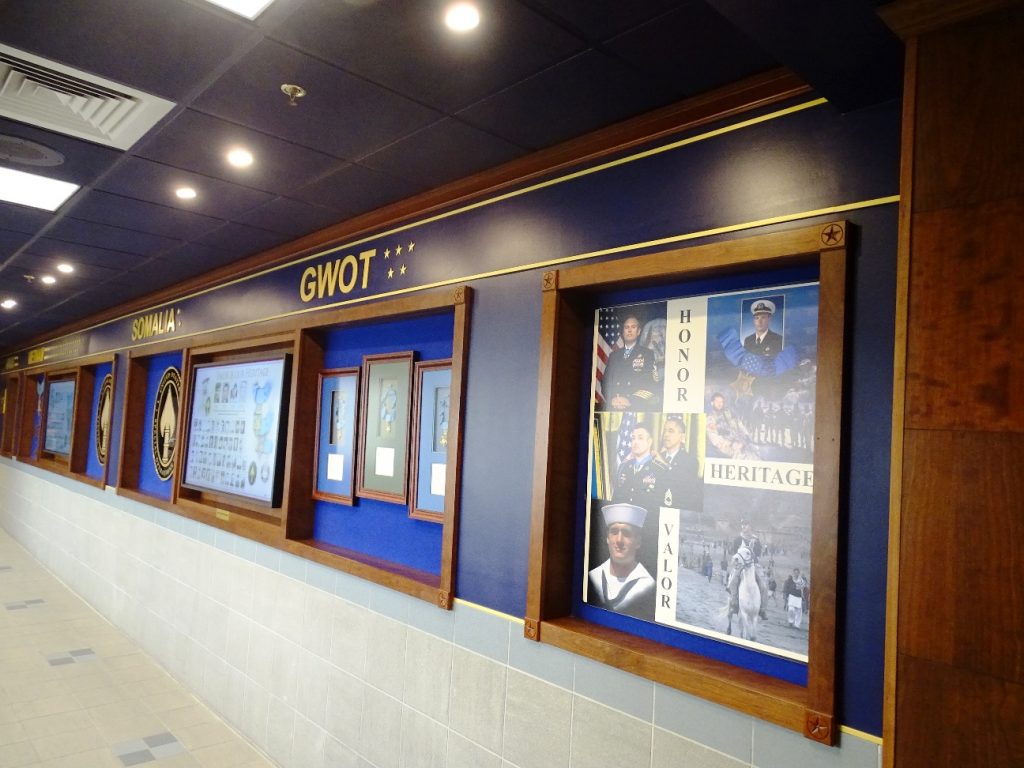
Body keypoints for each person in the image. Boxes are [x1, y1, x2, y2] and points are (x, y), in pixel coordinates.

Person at [588, 503, 655, 619]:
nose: (619, 540)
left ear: (638, 542)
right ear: (607, 538)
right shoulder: (593, 577)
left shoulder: (648, 586)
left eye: (626, 533)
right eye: (614, 532)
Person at [602, 313, 660, 410]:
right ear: (623, 332)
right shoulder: (614, 356)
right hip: (613, 406)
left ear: (638, 332)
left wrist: (630, 400)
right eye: (626, 327)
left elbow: (651, 383)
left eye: (633, 327)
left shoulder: (647, 354)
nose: (629, 330)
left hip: (635, 406)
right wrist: (612, 399)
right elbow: (605, 382)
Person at [613, 423, 667, 510]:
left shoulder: (660, 470)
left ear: (649, 442)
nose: (635, 442)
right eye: (633, 438)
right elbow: (615, 500)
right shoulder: (623, 467)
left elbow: (661, 506)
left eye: (640, 438)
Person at [658, 415, 701, 510]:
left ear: (682, 437)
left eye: (671, 431)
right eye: (664, 430)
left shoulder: (690, 461)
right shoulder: (657, 457)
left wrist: (664, 464)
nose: (666, 434)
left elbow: (683, 488)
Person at [728, 520, 769, 619]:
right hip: (741, 565)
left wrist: (754, 550)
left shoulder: (756, 540)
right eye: (742, 525)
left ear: (750, 526)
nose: (743, 527)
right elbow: (733, 553)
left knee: (763, 586)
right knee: (733, 582)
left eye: (745, 525)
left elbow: (759, 554)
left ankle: (762, 609)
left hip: (753, 565)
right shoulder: (738, 539)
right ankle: (734, 604)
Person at [706, 393, 760, 460]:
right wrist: (732, 444)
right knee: (743, 457)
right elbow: (715, 439)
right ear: (712, 403)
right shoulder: (710, 419)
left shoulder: (728, 413)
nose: (720, 404)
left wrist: (746, 435)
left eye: (721, 402)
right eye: (717, 401)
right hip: (726, 446)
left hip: (740, 440)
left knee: (755, 452)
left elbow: (739, 424)